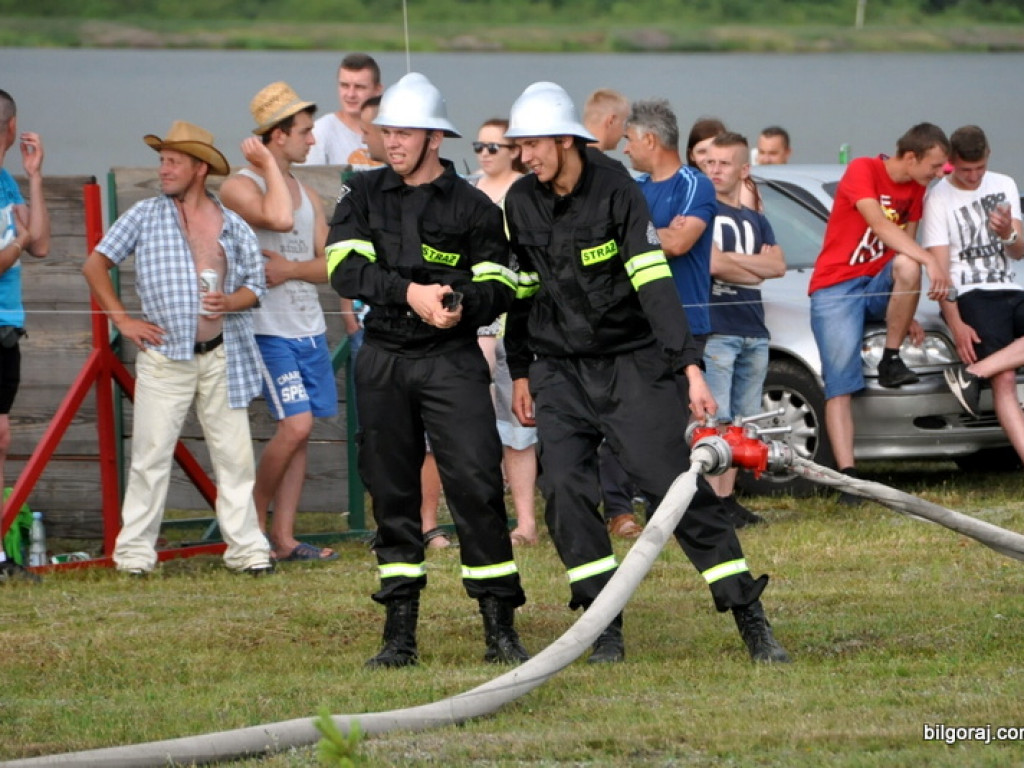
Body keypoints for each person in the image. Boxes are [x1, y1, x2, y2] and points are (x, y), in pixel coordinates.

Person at [503, 81, 789, 664]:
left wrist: (690, 368)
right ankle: (601, 625)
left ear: (565, 140)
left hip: (631, 364)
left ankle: (748, 616)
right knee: (563, 491)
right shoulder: (519, 202)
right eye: (519, 146)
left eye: (533, 144)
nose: (525, 157)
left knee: (672, 489)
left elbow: (655, 285)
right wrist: (521, 371)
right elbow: (524, 293)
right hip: (558, 369)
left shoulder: (617, 192)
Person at [325, 73, 528, 668]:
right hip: (384, 359)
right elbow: (344, 268)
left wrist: (461, 303)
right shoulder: (359, 193)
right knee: (391, 491)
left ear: (436, 136)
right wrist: (410, 292)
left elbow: (501, 282)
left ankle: (500, 628)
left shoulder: (474, 205)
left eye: (405, 132)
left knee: (477, 487)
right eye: (387, 130)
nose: (393, 141)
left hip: (451, 360)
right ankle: (399, 635)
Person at [82, 120, 274, 576]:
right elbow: (95, 263)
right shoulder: (145, 214)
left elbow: (256, 287)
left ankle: (249, 553)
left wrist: (230, 301)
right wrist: (123, 319)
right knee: (150, 455)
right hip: (165, 356)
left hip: (222, 352)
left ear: (200, 168)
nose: (164, 170)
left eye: (173, 162)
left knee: (235, 458)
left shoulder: (232, 223)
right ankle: (133, 557)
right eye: (162, 161)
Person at [219, 82, 338, 562]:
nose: (313, 140)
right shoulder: (239, 184)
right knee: (296, 425)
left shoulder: (308, 192)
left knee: (301, 432)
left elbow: (332, 264)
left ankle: (285, 539)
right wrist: (268, 166)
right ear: (277, 135)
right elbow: (279, 220)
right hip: (266, 328)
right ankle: (250, 527)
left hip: (309, 326)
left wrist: (290, 270)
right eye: (305, 132)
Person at [808, 123, 951, 498]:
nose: (938, 175)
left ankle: (891, 358)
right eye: (934, 166)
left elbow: (906, 246)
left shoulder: (918, 189)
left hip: (876, 284)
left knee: (908, 264)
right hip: (836, 286)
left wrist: (905, 309)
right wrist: (932, 264)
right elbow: (880, 226)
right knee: (839, 383)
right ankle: (849, 477)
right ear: (910, 157)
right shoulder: (863, 170)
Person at [607, 98, 718, 536]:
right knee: (623, 416)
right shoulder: (632, 187)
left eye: (629, 140)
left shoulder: (696, 184)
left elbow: (680, 242)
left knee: (670, 424)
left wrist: (634, 237)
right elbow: (658, 237)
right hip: (636, 324)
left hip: (684, 325)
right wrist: (653, 233)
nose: (625, 149)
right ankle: (618, 509)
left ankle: (666, 509)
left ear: (650, 139)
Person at [921, 127, 1024, 457]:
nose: (974, 176)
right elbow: (939, 269)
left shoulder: (1004, 183)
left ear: (988, 156)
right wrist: (955, 321)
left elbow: (1019, 252)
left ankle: (971, 373)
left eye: (979, 168)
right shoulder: (938, 197)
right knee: (1004, 377)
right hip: (971, 293)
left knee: (996, 369)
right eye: (966, 170)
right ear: (952, 162)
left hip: (1013, 284)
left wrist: (1008, 233)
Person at [703, 132, 786, 525]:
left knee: (743, 421)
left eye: (723, 163)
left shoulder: (756, 219)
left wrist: (734, 262)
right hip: (718, 327)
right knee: (714, 418)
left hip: (754, 328)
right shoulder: (704, 213)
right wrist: (754, 267)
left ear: (743, 169)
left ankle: (726, 499)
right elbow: (713, 265)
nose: (714, 170)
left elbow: (779, 267)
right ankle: (706, 499)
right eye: (710, 162)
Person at [469, 117, 538, 547]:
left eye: (493, 147)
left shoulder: (524, 195)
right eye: (479, 145)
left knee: (519, 427)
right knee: (477, 425)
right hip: (477, 321)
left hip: (515, 321)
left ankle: (527, 521)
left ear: (514, 150)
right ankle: (489, 515)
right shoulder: (469, 192)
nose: (484, 153)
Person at [0, 89, 49, 577]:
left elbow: (42, 244)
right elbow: (21, 245)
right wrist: (18, 239)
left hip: (8, 326)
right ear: (13, 130)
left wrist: (34, 179)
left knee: (1, 434)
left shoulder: (5, 181)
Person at [303, 53, 383, 167]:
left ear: (377, 90)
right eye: (344, 85)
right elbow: (308, 179)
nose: (350, 94)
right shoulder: (320, 132)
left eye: (359, 87)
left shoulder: (392, 131)